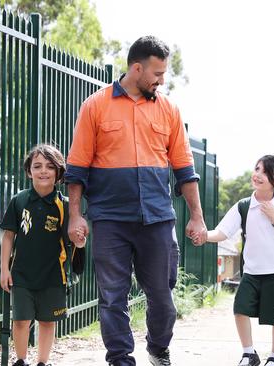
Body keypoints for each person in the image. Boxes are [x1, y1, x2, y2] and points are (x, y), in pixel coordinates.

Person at [65, 35, 207, 366]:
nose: (162, 80)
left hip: (157, 218)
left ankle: (158, 347)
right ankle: (120, 359)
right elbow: (77, 168)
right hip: (110, 218)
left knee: (163, 298)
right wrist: (75, 215)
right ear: (137, 68)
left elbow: (185, 169)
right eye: (157, 74)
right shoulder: (95, 105)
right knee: (113, 297)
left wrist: (197, 216)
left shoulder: (169, 110)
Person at [202, 155, 274, 366]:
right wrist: (204, 236)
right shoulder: (243, 206)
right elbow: (222, 231)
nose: (257, 175)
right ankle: (249, 354)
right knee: (240, 309)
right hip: (252, 272)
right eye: (257, 169)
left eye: (265, 172)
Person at [0, 144, 85, 366]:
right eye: (37, 166)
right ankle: (20, 361)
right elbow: (8, 236)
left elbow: (73, 241)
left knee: (48, 322)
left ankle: (42, 362)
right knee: (20, 321)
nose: (43, 171)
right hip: (22, 274)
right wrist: (4, 269)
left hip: (53, 275)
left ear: (58, 173)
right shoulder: (19, 201)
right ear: (29, 171)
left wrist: (80, 240)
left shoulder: (64, 206)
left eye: (49, 166)